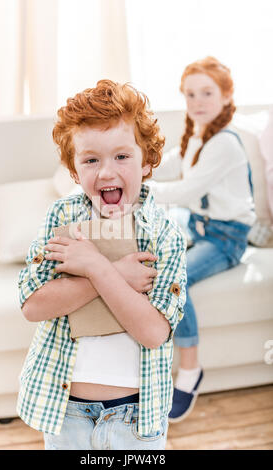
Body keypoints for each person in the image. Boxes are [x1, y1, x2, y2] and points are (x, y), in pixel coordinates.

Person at [17, 79, 187, 450]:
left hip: (135, 419)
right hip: (68, 416)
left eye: (122, 156)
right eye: (91, 159)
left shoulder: (164, 235)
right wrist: (111, 275)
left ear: (147, 162)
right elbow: (32, 306)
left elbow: (154, 333)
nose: (107, 172)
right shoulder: (60, 216)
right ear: (75, 171)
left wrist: (96, 266)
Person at [147, 57, 255, 422]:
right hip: (197, 222)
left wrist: (138, 187)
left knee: (173, 276)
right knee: (144, 241)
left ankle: (190, 370)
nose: (198, 101)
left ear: (226, 96)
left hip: (226, 237)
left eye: (207, 93)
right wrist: (134, 164)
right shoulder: (199, 134)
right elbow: (177, 163)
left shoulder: (225, 143)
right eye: (191, 94)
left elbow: (186, 188)